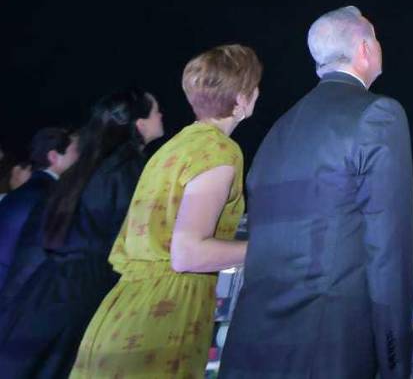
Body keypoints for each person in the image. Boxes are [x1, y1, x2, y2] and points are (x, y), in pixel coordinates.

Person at [220, 6, 413, 378]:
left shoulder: (279, 128)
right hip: (329, 348)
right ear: (364, 50)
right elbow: (388, 250)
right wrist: (395, 361)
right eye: (374, 37)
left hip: (251, 344)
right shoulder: (378, 115)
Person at [70, 44, 261, 378]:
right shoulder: (220, 151)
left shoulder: (174, 147)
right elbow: (188, 253)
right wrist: (271, 248)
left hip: (122, 310)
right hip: (165, 316)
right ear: (243, 98)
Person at [0, 90, 163, 379]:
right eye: (155, 111)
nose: (161, 116)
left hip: (47, 293)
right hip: (83, 295)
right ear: (138, 124)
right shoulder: (126, 169)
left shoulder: (88, 165)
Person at [0, 128, 79, 291]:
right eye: (74, 152)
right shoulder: (49, 196)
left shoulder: (23, 192)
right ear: (53, 157)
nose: (78, 158)